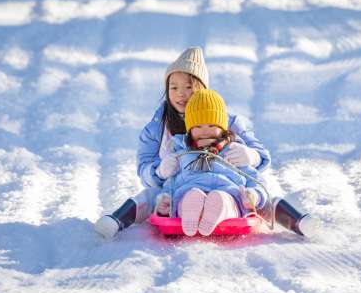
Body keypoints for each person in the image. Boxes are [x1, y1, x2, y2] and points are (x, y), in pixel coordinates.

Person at [94, 46, 315, 238]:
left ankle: (300, 223)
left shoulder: (226, 120)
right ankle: (116, 221)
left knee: (259, 198)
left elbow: (260, 154)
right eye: (174, 87)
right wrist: (159, 171)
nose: (181, 94)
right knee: (149, 197)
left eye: (189, 86)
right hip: (175, 188)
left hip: (227, 181)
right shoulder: (157, 128)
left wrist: (252, 155)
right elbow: (143, 167)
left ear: (202, 87)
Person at [154, 89, 269, 236]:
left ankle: (220, 207)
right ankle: (190, 210)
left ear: (222, 128)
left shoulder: (234, 151)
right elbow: (172, 181)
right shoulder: (183, 153)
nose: (204, 131)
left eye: (211, 125)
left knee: (225, 199)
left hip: (228, 193)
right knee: (188, 196)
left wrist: (254, 195)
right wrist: (165, 200)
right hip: (190, 190)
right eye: (198, 126)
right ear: (189, 129)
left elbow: (255, 179)